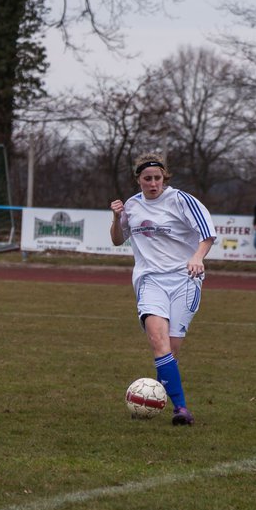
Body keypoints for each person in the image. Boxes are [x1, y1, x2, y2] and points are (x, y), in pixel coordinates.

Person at [109, 152, 215, 426]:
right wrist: (115, 218)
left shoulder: (181, 200)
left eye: (157, 178)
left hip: (184, 280)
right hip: (150, 280)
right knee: (159, 342)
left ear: (164, 177)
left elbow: (207, 234)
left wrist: (197, 257)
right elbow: (118, 240)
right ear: (138, 180)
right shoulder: (131, 206)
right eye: (147, 179)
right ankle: (181, 408)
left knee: (171, 350)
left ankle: (152, 397)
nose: (153, 183)